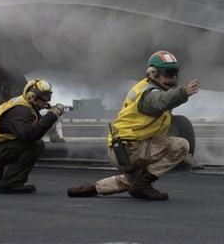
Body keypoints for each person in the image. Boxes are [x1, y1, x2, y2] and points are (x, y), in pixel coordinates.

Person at [67, 50, 200, 201]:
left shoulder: (144, 88)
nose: (173, 78)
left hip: (120, 150)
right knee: (181, 145)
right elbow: (161, 101)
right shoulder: (150, 94)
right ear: (153, 73)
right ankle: (143, 185)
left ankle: (90, 189)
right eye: (169, 72)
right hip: (132, 149)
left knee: (130, 182)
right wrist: (184, 92)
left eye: (175, 72)